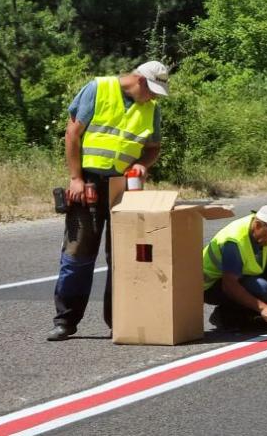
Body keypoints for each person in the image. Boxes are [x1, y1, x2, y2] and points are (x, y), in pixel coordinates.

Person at [47, 61, 169, 341]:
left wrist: (143, 165)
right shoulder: (98, 89)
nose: (153, 97)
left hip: (124, 188)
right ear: (139, 79)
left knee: (124, 258)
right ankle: (66, 321)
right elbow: (73, 134)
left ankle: (120, 321)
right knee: (77, 256)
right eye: (151, 90)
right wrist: (76, 178)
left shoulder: (151, 109)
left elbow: (153, 148)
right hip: (88, 182)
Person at [203, 205, 267, 331]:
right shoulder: (234, 241)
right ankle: (225, 315)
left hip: (239, 276)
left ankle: (253, 316)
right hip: (211, 287)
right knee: (261, 288)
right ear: (257, 226)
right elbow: (229, 285)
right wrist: (263, 308)